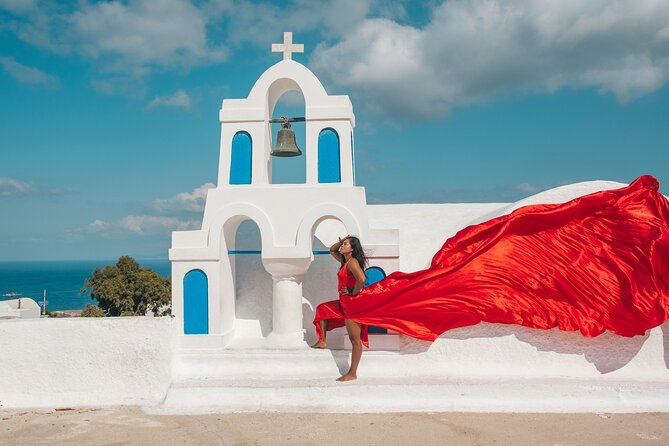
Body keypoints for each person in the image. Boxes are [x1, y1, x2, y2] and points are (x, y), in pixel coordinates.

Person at [311, 235, 368, 381]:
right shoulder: (345, 261)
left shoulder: (352, 262)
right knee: (323, 309)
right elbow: (332, 250)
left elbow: (361, 279)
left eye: (346, 244)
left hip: (351, 304)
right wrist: (343, 240)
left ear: (353, 248)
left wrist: (352, 292)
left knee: (355, 340)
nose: (342, 246)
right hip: (343, 302)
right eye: (342, 244)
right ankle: (322, 341)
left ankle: (352, 373)